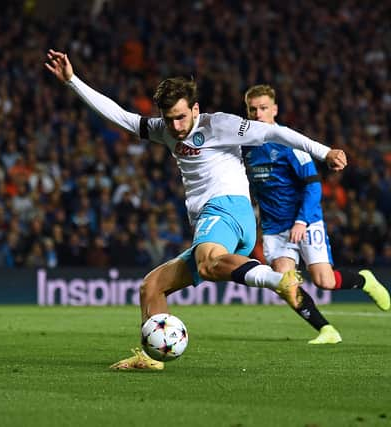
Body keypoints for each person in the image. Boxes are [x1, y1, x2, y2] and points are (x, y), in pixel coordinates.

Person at [45, 49, 347, 370]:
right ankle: (150, 358)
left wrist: (324, 151)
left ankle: (277, 280)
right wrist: (72, 81)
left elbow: (276, 132)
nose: (175, 126)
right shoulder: (164, 128)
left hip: (228, 209)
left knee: (206, 264)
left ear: (195, 109)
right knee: (152, 286)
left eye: (181, 117)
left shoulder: (220, 125)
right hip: (214, 223)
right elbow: (121, 116)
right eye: (169, 118)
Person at [243, 84, 390, 344]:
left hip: (305, 221)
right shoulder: (246, 146)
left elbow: (313, 184)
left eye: (263, 108)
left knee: (324, 281)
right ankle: (326, 330)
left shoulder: (288, 141)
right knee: (286, 285)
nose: (258, 114)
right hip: (274, 228)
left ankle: (364, 280)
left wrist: (301, 220)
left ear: (274, 109)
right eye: (252, 109)